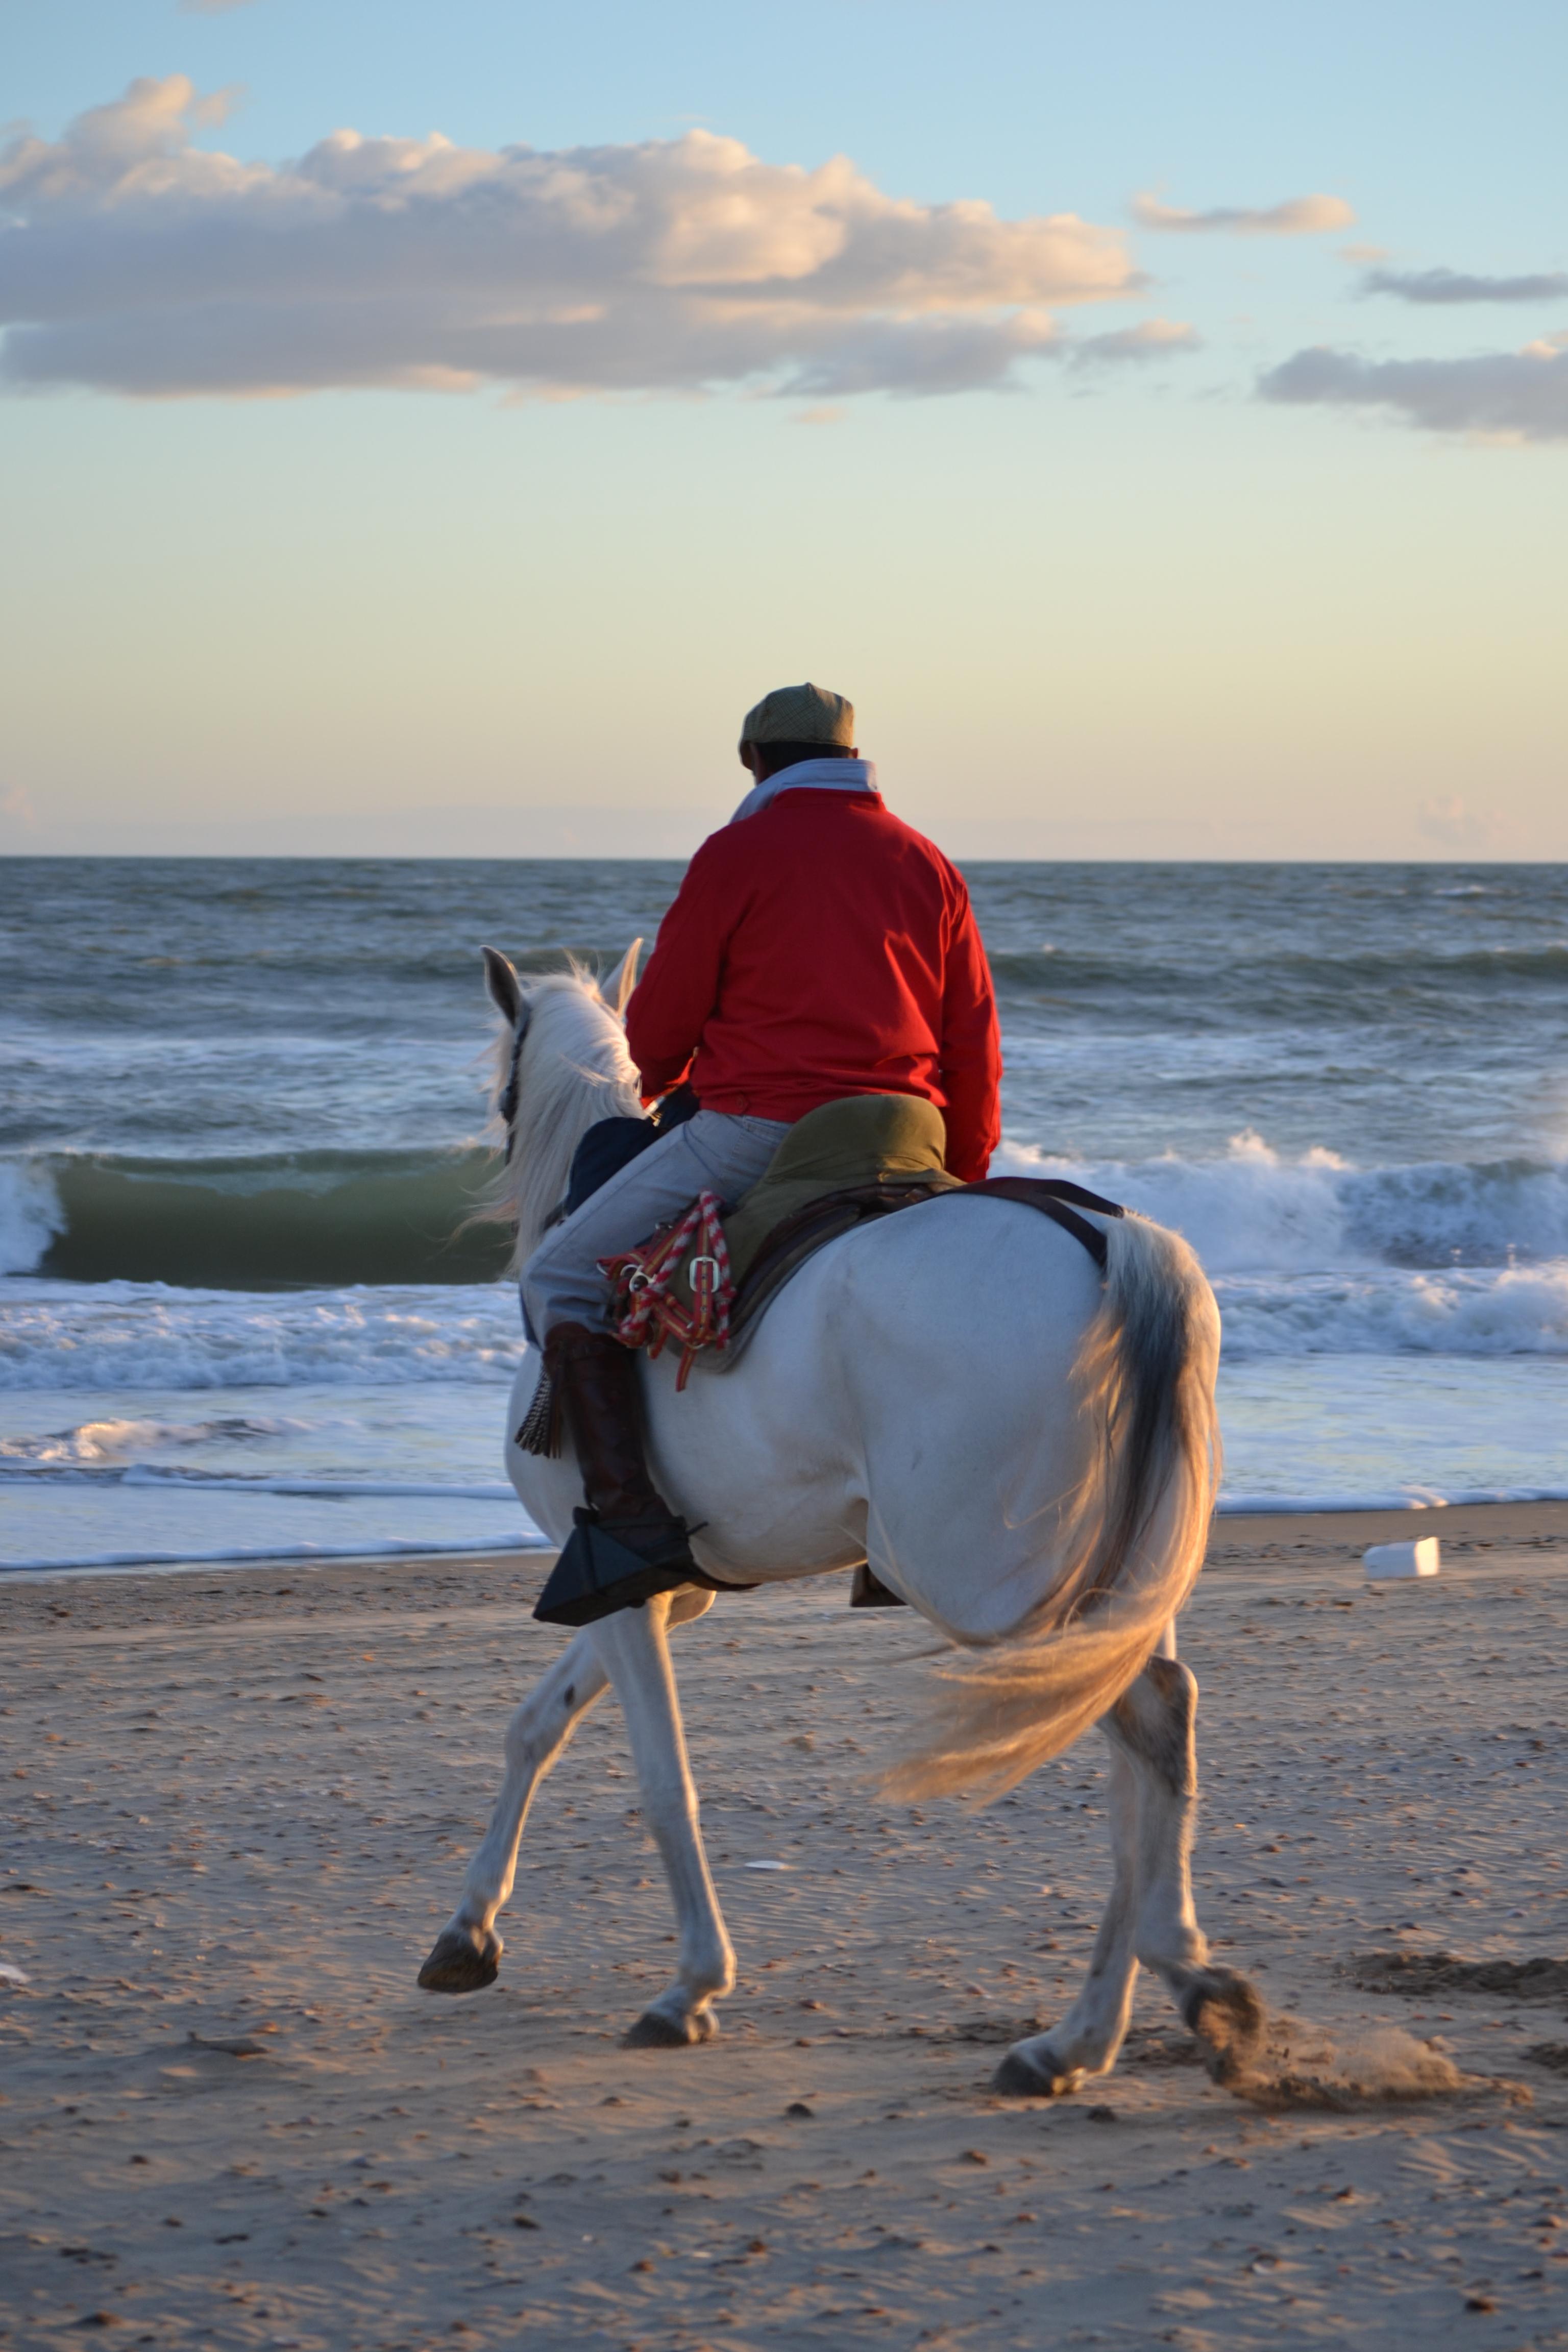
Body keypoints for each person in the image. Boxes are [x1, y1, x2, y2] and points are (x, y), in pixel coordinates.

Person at [522, 680, 1002, 1623]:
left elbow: (661, 1021)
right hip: (910, 1136)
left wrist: (656, 1079)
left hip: (763, 1130)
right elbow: (973, 1037)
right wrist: (964, 1175)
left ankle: (629, 1521)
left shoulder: (737, 852)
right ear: (857, 757)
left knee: (561, 1278)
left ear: (754, 762)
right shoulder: (928, 862)